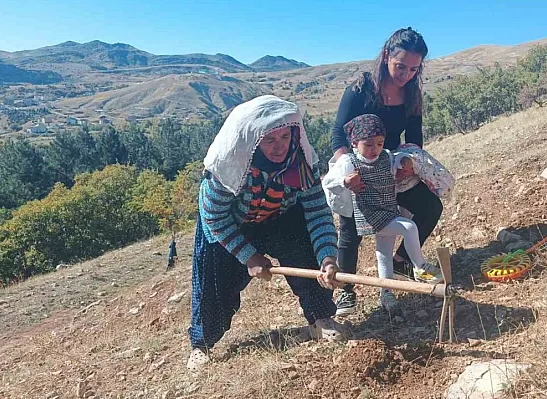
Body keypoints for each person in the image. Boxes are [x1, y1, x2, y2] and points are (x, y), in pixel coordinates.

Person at [186, 95, 349, 372]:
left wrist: (328, 258)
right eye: (270, 140)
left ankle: (320, 318)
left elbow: (317, 213)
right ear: (254, 140)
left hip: (279, 217)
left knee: (306, 249)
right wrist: (249, 257)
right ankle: (202, 343)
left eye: (285, 137)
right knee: (214, 282)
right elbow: (213, 216)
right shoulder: (228, 167)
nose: (279, 147)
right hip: (229, 226)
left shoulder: (302, 163)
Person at [329, 27, 443, 316]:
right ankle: (345, 290)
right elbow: (338, 136)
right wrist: (349, 171)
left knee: (430, 206)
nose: (406, 74)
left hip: (391, 166)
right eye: (400, 66)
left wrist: (406, 162)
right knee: (350, 230)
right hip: (356, 165)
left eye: (413, 69)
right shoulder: (359, 89)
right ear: (385, 56)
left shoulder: (412, 94)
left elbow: (415, 137)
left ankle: (404, 261)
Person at [323, 114, 443, 313]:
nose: (374, 150)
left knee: (384, 254)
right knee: (409, 227)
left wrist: (406, 162)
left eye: (379, 144)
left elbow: (398, 161)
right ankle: (420, 267)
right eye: (368, 145)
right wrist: (345, 182)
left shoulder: (385, 156)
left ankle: (386, 293)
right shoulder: (348, 161)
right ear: (354, 143)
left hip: (387, 209)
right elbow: (328, 182)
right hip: (370, 213)